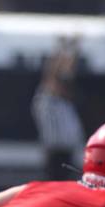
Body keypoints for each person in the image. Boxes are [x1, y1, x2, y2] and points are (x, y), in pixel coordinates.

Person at [31, 35, 85, 181]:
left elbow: (67, 73)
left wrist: (74, 50)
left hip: (68, 152)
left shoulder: (63, 103)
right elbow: (52, 74)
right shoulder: (46, 101)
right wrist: (61, 48)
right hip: (56, 152)